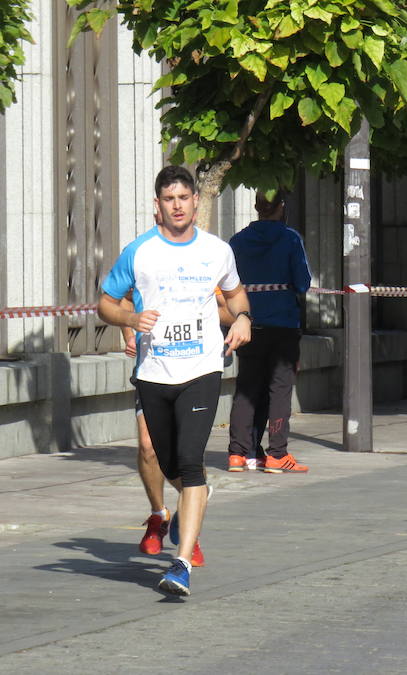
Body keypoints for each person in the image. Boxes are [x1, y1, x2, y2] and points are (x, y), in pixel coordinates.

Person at [98, 165, 252, 596]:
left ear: (196, 202)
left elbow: (237, 294)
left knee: (189, 459)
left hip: (201, 368)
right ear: (157, 205)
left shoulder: (217, 250)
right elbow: (105, 303)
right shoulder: (139, 252)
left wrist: (243, 319)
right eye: (169, 199)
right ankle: (194, 498)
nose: (178, 205)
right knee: (164, 461)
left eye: (184, 197)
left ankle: (181, 563)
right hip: (154, 371)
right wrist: (129, 318)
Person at [122, 288, 235, 565]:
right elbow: (119, 300)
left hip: (195, 370)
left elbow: (230, 309)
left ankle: (189, 532)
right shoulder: (142, 256)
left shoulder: (203, 260)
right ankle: (160, 514)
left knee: (189, 453)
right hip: (152, 367)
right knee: (148, 447)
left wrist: (196, 316)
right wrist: (130, 331)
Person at [227, 190, 312, 474]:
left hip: (247, 323)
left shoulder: (237, 242)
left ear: (256, 207)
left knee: (247, 386)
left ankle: (238, 453)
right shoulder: (290, 239)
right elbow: (302, 282)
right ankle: (277, 454)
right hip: (283, 324)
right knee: (280, 388)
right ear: (282, 208)